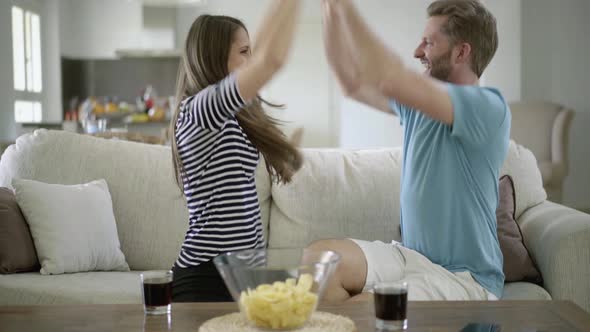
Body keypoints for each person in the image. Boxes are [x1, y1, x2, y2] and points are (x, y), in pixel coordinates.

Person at [308, 0, 511, 302]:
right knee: (319, 262)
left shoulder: (487, 107)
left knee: (373, 309)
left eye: (429, 42)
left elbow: (391, 76)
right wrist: (330, 10)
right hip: (412, 258)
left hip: (466, 279)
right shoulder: (419, 106)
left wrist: (345, 6)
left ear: (461, 52)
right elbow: (350, 82)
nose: (418, 52)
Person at [170, 1, 303, 302]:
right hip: (205, 278)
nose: (252, 60)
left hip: (244, 275)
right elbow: (271, 60)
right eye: (244, 52)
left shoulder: (233, 115)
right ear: (215, 58)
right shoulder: (198, 111)